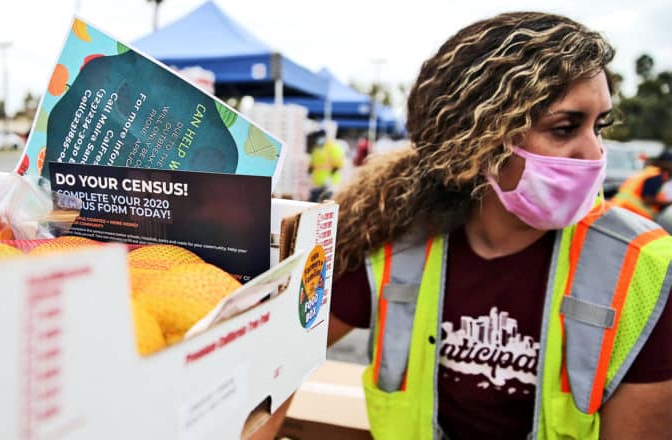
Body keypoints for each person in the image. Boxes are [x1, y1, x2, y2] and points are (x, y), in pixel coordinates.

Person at [254, 11, 672, 440]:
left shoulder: (642, 269)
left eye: (598, 126)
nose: (595, 153)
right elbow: (270, 363)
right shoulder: (394, 241)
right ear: (479, 141)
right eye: (565, 128)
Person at [611, 150, 672, 220]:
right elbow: (648, 199)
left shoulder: (650, 172)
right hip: (629, 213)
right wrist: (669, 202)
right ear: (664, 163)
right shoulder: (655, 176)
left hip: (622, 210)